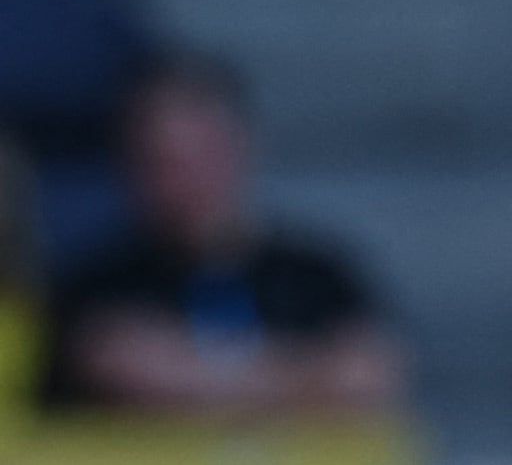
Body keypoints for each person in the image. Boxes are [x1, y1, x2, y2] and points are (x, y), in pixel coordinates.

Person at [43, 52, 404, 416]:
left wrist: (192, 379)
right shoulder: (97, 286)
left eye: (205, 151)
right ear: (129, 166)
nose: (188, 178)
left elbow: (367, 374)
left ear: (243, 145)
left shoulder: (318, 276)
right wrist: (307, 379)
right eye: (164, 161)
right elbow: (123, 370)